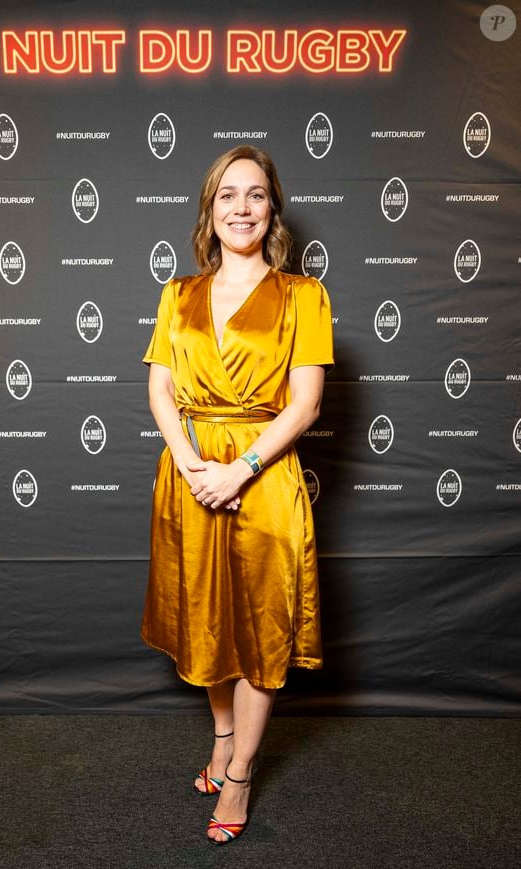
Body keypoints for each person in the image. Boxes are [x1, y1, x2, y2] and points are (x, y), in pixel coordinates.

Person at [141, 145, 334, 845]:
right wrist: (192, 463)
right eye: (228, 195)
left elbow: (306, 404)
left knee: (260, 632)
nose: (242, 208)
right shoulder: (177, 293)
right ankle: (222, 736)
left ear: (272, 208)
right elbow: (160, 389)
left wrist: (240, 467)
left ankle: (244, 770)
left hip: (264, 476)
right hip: (190, 475)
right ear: (210, 210)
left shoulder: (303, 296)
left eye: (255, 195)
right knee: (207, 622)